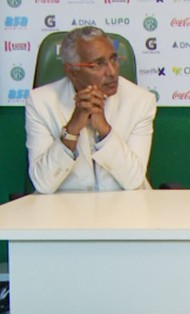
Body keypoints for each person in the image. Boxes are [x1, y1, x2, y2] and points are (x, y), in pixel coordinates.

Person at [25, 26, 156, 194]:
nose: (112, 72)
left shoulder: (140, 101)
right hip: (65, 209)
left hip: (125, 208)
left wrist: (104, 129)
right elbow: (43, 183)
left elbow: (134, 180)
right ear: (72, 72)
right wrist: (72, 128)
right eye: (98, 64)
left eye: (114, 60)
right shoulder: (41, 103)